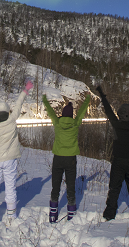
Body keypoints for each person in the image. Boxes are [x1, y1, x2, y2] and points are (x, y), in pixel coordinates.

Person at [95, 85, 129, 221]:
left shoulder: (117, 124)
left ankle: (109, 215)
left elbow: (108, 110)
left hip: (118, 161)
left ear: (119, 113)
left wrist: (102, 94)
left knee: (114, 189)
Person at [0, 81, 33, 224]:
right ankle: (11, 216)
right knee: (10, 187)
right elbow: (18, 105)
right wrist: (24, 91)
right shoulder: (11, 120)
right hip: (10, 160)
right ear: (6, 111)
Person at [42, 93, 91, 222]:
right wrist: (87, 100)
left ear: (63, 114)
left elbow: (51, 112)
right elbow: (81, 112)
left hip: (58, 158)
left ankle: (53, 214)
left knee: (55, 186)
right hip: (70, 159)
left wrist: (44, 100)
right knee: (71, 186)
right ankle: (71, 214)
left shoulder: (57, 123)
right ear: (71, 115)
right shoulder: (75, 124)